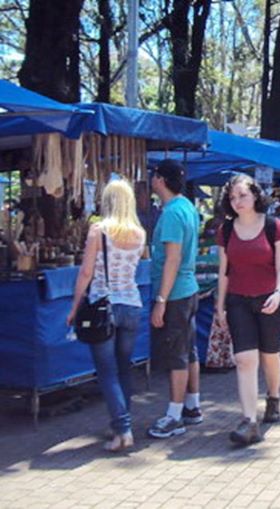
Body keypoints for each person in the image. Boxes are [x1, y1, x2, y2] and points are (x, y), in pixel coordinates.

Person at [67, 179, 146, 452]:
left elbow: (86, 273)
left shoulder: (98, 231)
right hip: (132, 305)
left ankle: (122, 430)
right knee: (124, 368)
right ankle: (121, 424)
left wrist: (75, 306)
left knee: (107, 372)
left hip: (104, 306)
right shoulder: (139, 232)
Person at [214, 175, 280, 446]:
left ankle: (273, 397)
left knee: (270, 355)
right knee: (245, 360)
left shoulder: (273, 226)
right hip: (238, 300)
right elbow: (224, 271)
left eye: (242, 196)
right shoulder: (225, 230)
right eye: (232, 198)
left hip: (270, 300)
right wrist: (220, 305)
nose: (237, 202)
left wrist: (279, 292)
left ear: (255, 196)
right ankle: (249, 421)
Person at [147, 159, 203, 439]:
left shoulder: (171, 214)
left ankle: (174, 415)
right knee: (188, 349)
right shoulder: (187, 207)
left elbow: (172, 258)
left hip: (176, 292)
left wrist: (161, 300)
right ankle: (192, 406)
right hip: (188, 288)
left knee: (176, 353)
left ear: (160, 179)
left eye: (154, 175)